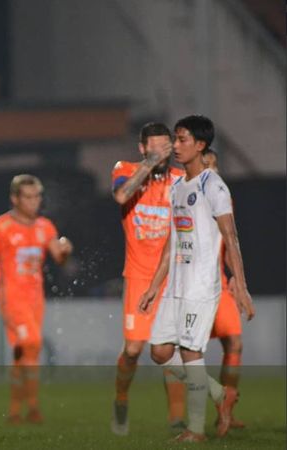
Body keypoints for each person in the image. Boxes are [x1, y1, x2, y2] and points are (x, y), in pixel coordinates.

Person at [139, 115, 255, 442]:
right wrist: (153, 286)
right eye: (175, 139)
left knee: (191, 352)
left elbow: (230, 238)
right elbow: (171, 243)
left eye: (181, 139)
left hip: (201, 286)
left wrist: (241, 287)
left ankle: (195, 429)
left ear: (201, 145)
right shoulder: (178, 187)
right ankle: (221, 394)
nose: (175, 146)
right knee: (160, 352)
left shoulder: (213, 186)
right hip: (174, 285)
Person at [109, 122, 185, 435]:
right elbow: (121, 195)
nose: (162, 154)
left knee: (171, 351)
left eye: (166, 148)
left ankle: (177, 419)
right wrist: (150, 163)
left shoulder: (181, 180)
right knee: (132, 350)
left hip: (173, 275)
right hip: (139, 276)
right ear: (142, 148)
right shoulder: (124, 168)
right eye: (155, 147)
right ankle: (121, 397)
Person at [0, 174, 73, 424]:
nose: (34, 202)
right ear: (15, 199)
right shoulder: (0, 227)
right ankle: (29, 408)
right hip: (11, 295)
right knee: (31, 342)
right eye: (29, 197)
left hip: (35, 298)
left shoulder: (45, 226)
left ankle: (19, 410)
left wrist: (65, 250)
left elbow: (59, 257)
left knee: (26, 354)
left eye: (37, 197)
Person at [203, 148, 245, 429]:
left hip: (216, 284)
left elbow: (229, 242)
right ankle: (185, 415)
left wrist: (237, 279)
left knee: (234, 343)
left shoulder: (220, 197)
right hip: (187, 287)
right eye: (206, 164)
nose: (212, 170)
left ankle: (224, 407)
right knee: (172, 355)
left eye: (214, 165)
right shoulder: (180, 194)